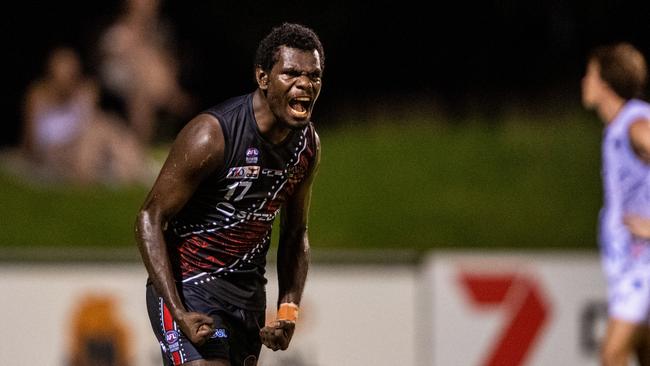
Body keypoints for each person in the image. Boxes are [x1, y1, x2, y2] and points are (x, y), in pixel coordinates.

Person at [134, 22, 324, 366]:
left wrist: (288, 309)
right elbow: (149, 217)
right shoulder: (212, 135)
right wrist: (177, 310)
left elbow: (296, 233)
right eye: (291, 73)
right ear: (263, 78)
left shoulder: (306, 146)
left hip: (247, 301)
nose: (305, 84)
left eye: (314, 76)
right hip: (189, 288)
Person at [581, 42, 650, 366]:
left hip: (643, 266)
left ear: (605, 84)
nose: (585, 82)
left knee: (612, 356)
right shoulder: (620, 127)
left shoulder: (636, 126)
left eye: (590, 74)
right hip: (630, 265)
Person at [20, 46, 148, 185]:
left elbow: (91, 121)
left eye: (71, 74)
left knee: (103, 126)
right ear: (51, 74)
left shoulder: (85, 91)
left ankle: (131, 167)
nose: (66, 80)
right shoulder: (38, 96)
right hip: (54, 152)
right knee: (99, 129)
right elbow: (31, 139)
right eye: (61, 74)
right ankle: (128, 170)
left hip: (86, 146)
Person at [95, 0, 195, 146]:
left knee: (146, 87)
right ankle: (171, 98)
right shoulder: (118, 30)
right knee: (144, 75)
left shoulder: (160, 30)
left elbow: (168, 60)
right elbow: (109, 60)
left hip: (150, 80)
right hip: (120, 73)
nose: (149, 6)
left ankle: (141, 146)